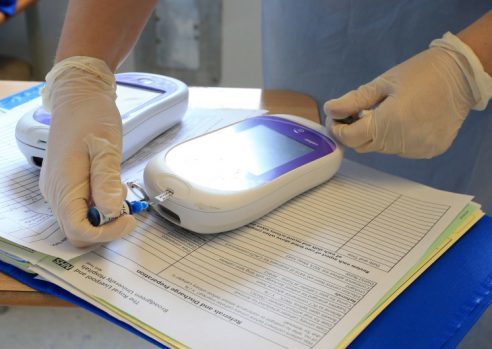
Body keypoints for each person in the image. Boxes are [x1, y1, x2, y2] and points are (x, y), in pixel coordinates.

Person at [40, 0, 491, 248]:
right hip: (316, 27)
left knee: (449, 253)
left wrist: (467, 69)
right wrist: (83, 70)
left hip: (468, 42)